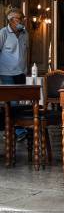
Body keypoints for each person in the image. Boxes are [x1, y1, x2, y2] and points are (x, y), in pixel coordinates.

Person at [0, 8, 29, 141]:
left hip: (21, 72)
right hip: (6, 73)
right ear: (11, 20)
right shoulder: (3, 33)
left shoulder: (25, 34)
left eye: (22, 18)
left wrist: (26, 69)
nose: (22, 21)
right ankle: (18, 130)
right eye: (19, 18)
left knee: (18, 102)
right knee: (13, 102)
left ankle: (10, 129)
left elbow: (26, 52)